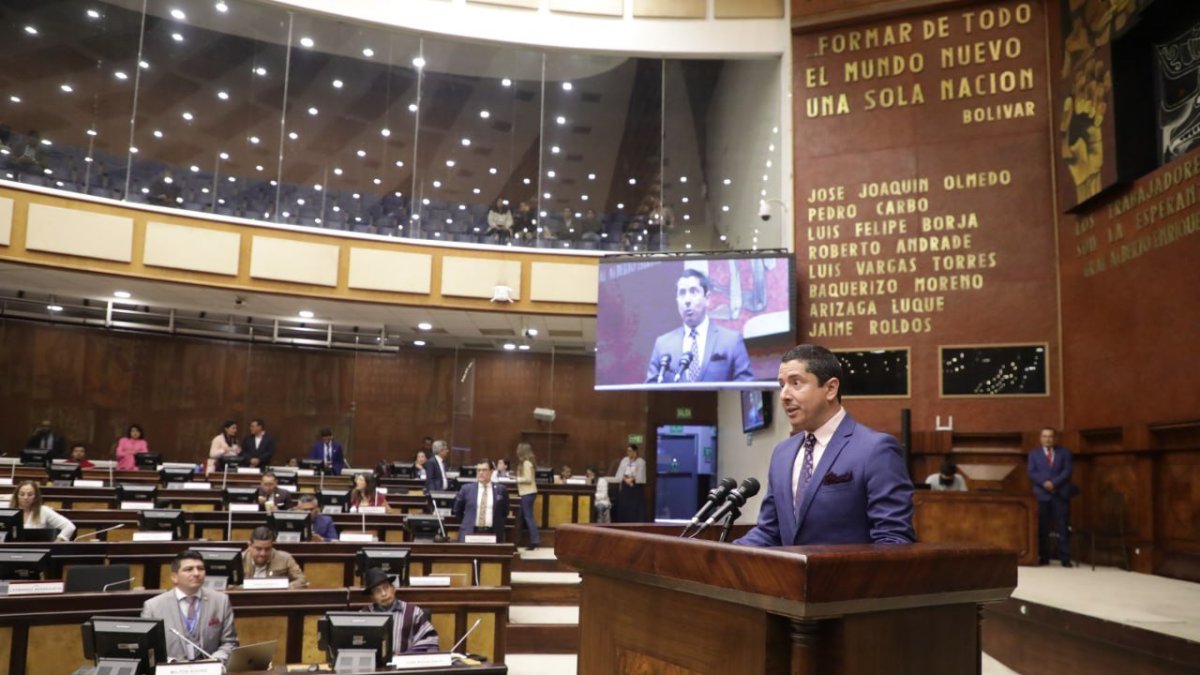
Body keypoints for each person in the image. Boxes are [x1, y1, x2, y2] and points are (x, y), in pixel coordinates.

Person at [735, 344, 915, 547]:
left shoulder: (876, 449)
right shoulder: (782, 454)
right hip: (792, 578)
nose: (784, 395)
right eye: (781, 385)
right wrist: (723, 556)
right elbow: (769, 532)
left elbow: (893, 540)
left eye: (796, 383)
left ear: (830, 389)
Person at [644, 269, 754, 384]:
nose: (687, 300)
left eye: (693, 291)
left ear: (707, 298)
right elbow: (650, 392)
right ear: (677, 301)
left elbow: (745, 389)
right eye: (682, 293)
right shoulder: (663, 345)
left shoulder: (731, 341)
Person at [142, 550, 239, 663]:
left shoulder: (221, 601)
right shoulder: (153, 607)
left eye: (200, 568)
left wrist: (214, 660)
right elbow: (148, 649)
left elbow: (230, 642)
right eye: (189, 569)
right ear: (174, 577)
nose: (197, 573)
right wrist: (172, 662)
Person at [360, 567, 441, 654]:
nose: (383, 594)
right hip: (373, 666)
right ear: (372, 598)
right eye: (377, 591)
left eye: (386, 587)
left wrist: (405, 657)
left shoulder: (414, 612)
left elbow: (430, 641)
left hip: (406, 665)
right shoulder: (363, 616)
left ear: (393, 589)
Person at [1028, 427, 1077, 567]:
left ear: (1055, 438)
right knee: (1043, 527)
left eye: (1050, 436)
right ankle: (1044, 556)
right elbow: (1031, 472)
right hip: (1041, 495)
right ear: (1040, 438)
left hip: (1059, 494)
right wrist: (1045, 483)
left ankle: (1065, 557)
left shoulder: (1065, 452)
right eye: (1044, 436)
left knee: (1062, 526)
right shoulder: (1033, 454)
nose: (1047, 439)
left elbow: (1067, 470)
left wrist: (1054, 483)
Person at [452, 460, 510, 542]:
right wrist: (468, 521)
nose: (480, 473)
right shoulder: (466, 489)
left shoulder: (501, 490)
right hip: (470, 532)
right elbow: (457, 510)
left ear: (491, 471)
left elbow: (505, 512)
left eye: (484, 470)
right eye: (478, 470)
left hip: (493, 533)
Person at [6, 481, 76, 541]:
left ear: (36, 497)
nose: (25, 497)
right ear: (16, 496)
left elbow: (69, 526)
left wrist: (57, 542)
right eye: (22, 494)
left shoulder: (43, 511)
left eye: (30, 495)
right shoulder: (7, 510)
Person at [242, 526, 308, 588]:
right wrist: (247, 587)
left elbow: (302, 580)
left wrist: (283, 587)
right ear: (249, 546)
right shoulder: (239, 559)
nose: (263, 554)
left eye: (267, 549)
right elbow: (231, 585)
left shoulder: (285, 559)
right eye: (258, 549)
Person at [514, 443, 540, 550]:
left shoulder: (526, 463)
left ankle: (534, 541)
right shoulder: (527, 463)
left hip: (527, 493)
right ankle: (516, 540)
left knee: (528, 517)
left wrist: (516, 479)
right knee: (520, 517)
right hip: (527, 493)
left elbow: (528, 479)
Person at [614, 445, 647, 523]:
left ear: (635, 452)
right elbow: (620, 473)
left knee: (634, 507)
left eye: (630, 451)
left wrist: (631, 480)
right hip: (625, 485)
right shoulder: (625, 460)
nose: (628, 453)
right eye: (627, 451)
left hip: (635, 486)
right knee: (624, 506)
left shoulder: (640, 461)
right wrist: (626, 480)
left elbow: (640, 474)